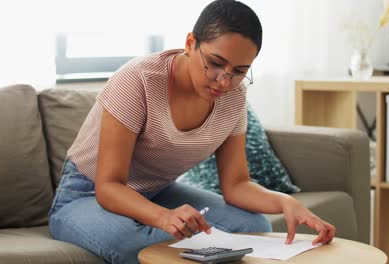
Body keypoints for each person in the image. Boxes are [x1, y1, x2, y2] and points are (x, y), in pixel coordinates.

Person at [48, 0, 336, 263]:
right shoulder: (138, 81)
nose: (223, 81)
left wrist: (286, 202)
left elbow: (236, 184)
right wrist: (163, 217)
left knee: (255, 227)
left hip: (157, 192)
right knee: (135, 242)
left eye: (238, 71)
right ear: (190, 43)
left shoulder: (234, 97)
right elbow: (109, 187)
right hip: (86, 194)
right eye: (215, 63)